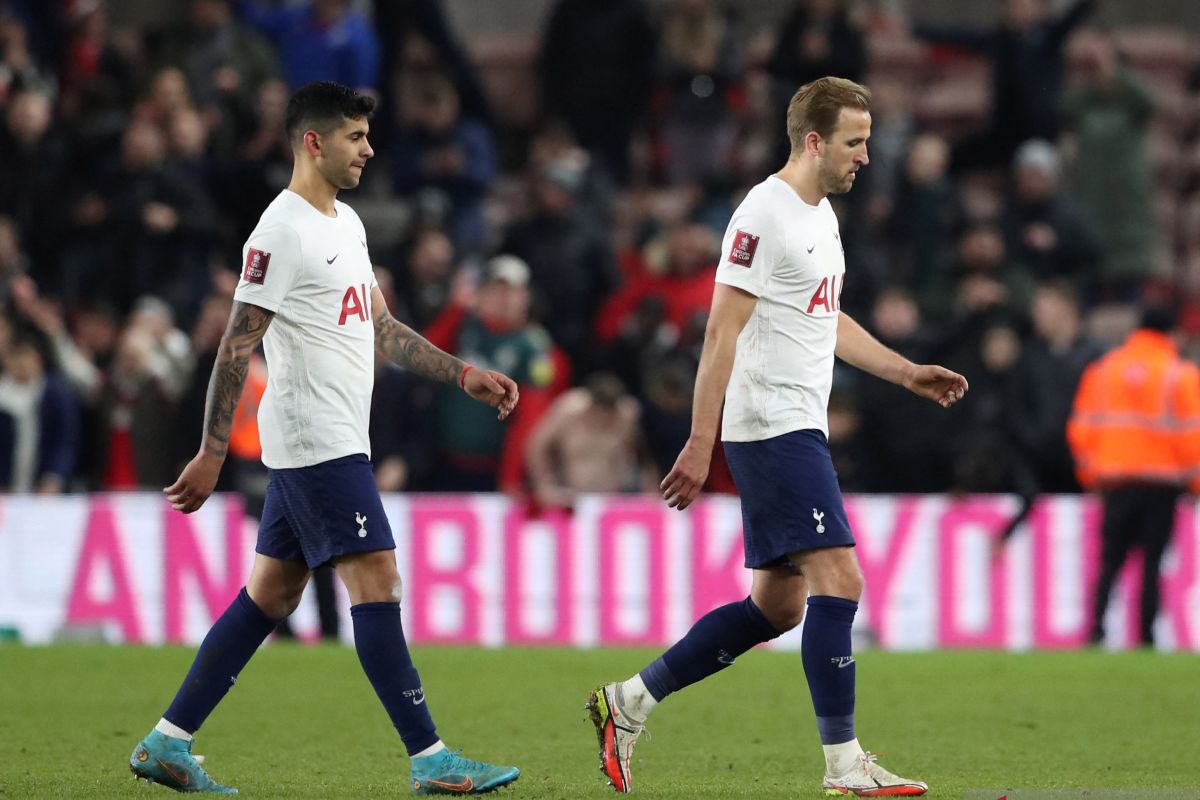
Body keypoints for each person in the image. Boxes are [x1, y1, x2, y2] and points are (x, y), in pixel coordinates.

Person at [127, 81, 521, 796]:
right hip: (315, 440)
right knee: (378, 580)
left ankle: (167, 742)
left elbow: (382, 328)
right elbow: (235, 348)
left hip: (335, 436)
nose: (370, 149)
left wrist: (462, 374)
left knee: (271, 594)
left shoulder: (346, 223)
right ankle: (430, 758)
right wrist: (214, 450)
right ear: (314, 141)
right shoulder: (280, 230)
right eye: (355, 137)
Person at [586, 77, 968, 797]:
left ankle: (629, 702)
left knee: (778, 607)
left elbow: (828, 319)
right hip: (771, 424)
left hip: (796, 422)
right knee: (841, 578)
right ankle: (844, 764)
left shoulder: (819, 215)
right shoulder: (763, 215)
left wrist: (905, 371)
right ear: (815, 141)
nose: (865, 156)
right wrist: (703, 441)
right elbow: (720, 330)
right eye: (855, 142)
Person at [1067, 304, 1200, 648]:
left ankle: (1095, 632)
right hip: (1161, 484)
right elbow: (1192, 436)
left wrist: (1089, 475)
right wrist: (1196, 483)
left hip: (1114, 481)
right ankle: (1145, 637)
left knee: (1110, 561)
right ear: (1172, 334)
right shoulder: (1179, 374)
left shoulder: (1104, 369)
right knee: (1152, 564)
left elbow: (1081, 428)